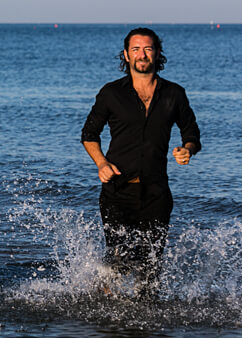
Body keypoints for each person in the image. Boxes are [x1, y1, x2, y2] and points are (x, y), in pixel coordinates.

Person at [81, 28, 201, 296]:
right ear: (126, 55)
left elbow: (192, 133)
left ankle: (147, 326)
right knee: (120, 257)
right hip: (117, 190)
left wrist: (188, 149)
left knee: (151, 265)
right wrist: (101, 163)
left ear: (157, 53)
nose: (141, 54)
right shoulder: (111, 93)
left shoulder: (174, 94)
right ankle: (103, 303)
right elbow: (89, 134)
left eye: (147, 48)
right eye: (135, 49)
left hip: (156, 193)